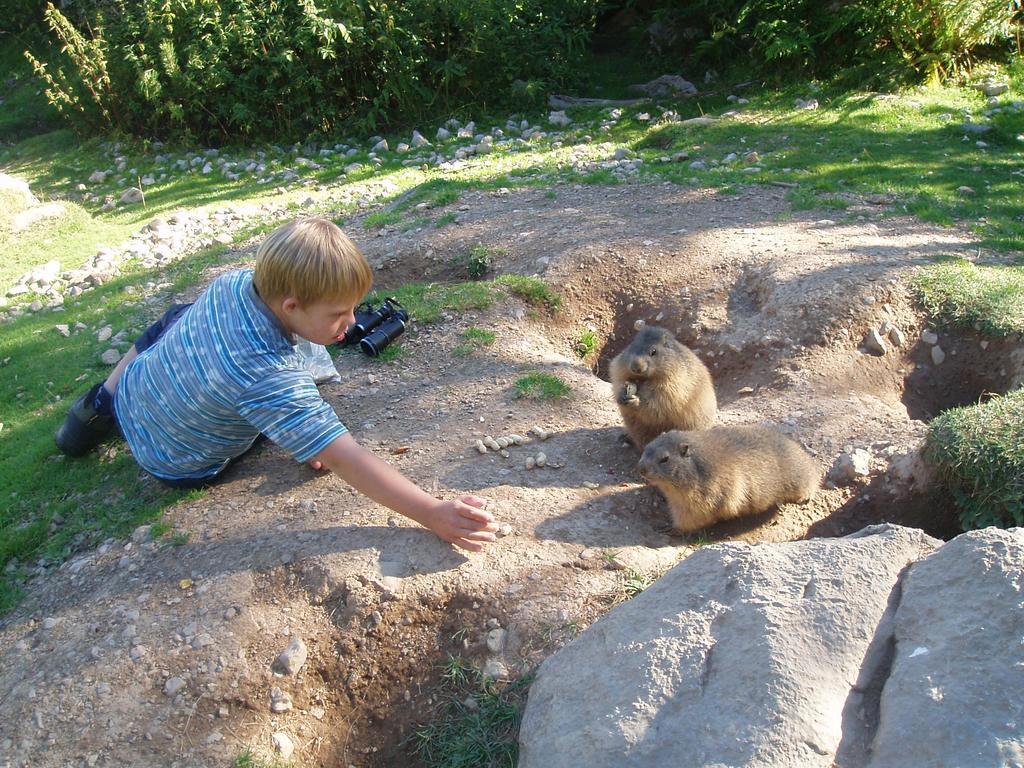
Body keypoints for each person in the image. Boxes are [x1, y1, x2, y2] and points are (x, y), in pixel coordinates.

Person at [55, 217, 498, 552]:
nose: (349, 324)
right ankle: (293, 430)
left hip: (133, 394)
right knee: (291, 416)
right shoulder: (267, 374)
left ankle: (98, 403)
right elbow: (345, 457)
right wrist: (431, 511)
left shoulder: (233, 283)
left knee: (176, 316)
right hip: (176, 463)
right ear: (291, 304)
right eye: (337, 315)